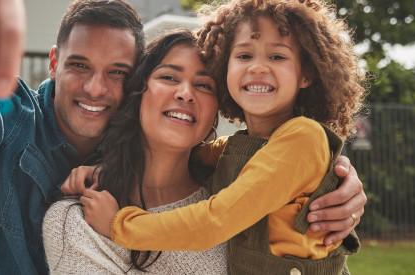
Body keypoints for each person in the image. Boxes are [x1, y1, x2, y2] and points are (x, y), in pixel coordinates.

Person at [0, 0, 364, 274]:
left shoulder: (222, 182)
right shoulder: (36, 151)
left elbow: (252, 178)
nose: (97, 88)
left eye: (202, 84)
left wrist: (336, 178)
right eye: (79, 66)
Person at [77, 0, 365, 274]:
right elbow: (184, 155)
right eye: (244, 55)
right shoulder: (245, 145)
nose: (257, 67)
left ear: (306, 75)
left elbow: (215, 221)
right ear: (225, 68)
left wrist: (119, 225)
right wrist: (109, 168)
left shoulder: (304, 137)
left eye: (277, 56)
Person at [43, 30, 228, 274]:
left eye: (204, 85)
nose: (185, 93)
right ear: (138, 93)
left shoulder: (233, 201)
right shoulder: (75, 220)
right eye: (169, 77)